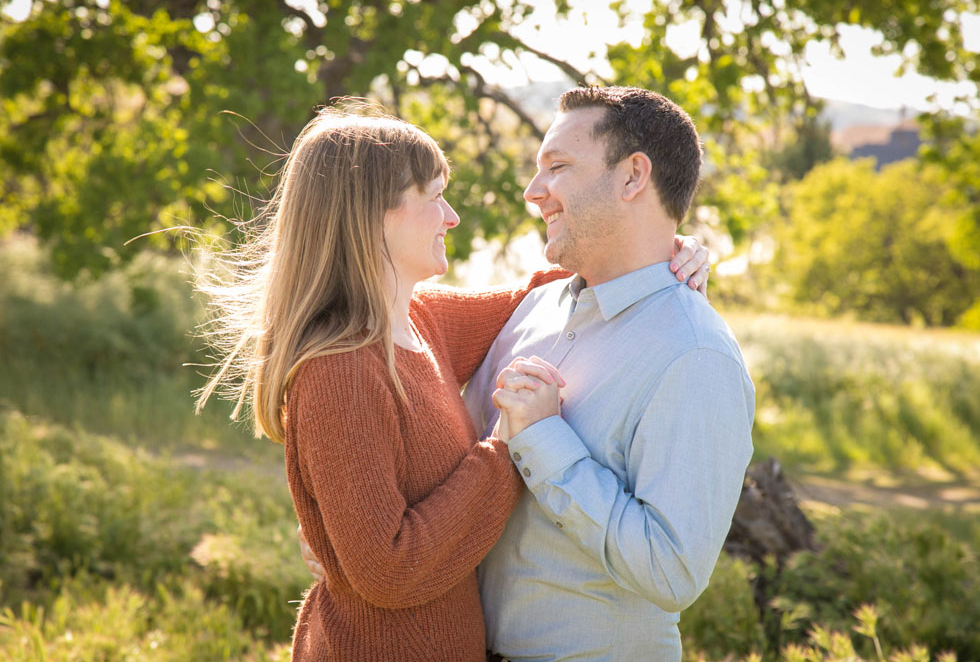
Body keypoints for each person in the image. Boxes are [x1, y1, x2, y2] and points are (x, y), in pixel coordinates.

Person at [196, 103, 711, 660]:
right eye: (433, 196)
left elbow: (554, 283)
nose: (452, 217)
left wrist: (669, 251)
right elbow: (390, 569)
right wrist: (512, 445)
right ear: (373, 213)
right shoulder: (339, 370)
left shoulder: (424, 322)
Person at [467, 86, 756, 661]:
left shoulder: (694, 356)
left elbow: (672, 571)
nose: (533, 191)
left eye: (558, 167)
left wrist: (545, 441)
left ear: (632, 178)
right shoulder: (532, 309)